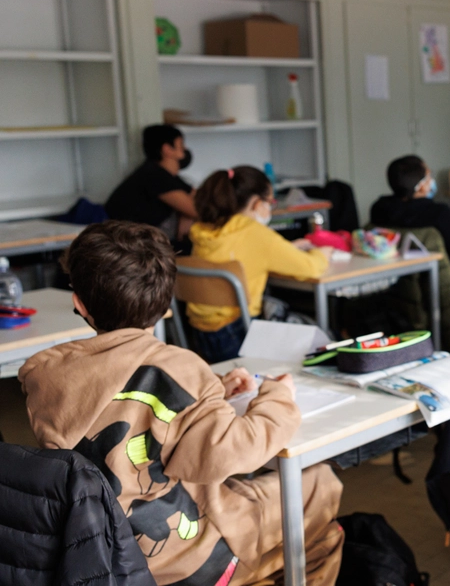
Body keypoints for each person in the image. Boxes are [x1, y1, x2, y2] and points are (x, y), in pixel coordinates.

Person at [19, 221, 344, 585]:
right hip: (189, 555)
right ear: (165, 303)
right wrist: (278, 397)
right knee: (319, 489)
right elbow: (233, 452)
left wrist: (214, 390)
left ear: (79, 303)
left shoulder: (48, 378)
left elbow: (119, 398)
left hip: (102, 557)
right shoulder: (181, 367)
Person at [186, 166, 332, 361]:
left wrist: (285, 248)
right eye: (270, 201)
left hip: (200, 337)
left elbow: (242, 253)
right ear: (256, 203)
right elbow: (310, 267)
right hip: (239, 335)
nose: (270, 206)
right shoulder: (255, 233)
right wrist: (322, 253)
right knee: (319, 334)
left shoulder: (203, 230)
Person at [370, 155, 450, 302]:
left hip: (401, 292)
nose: (431, 180)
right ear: (420, 186)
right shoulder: (440, 215)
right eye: (428, 175)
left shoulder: (379, 211)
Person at [105, 124, 198, 241]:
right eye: (181, 144)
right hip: (131, 245)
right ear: (167, 149)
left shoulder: (162, 174)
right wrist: (187, 214)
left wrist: (186, 215)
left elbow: (195, 196)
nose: (185, 149)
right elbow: (196, 210)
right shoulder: (154, 176)